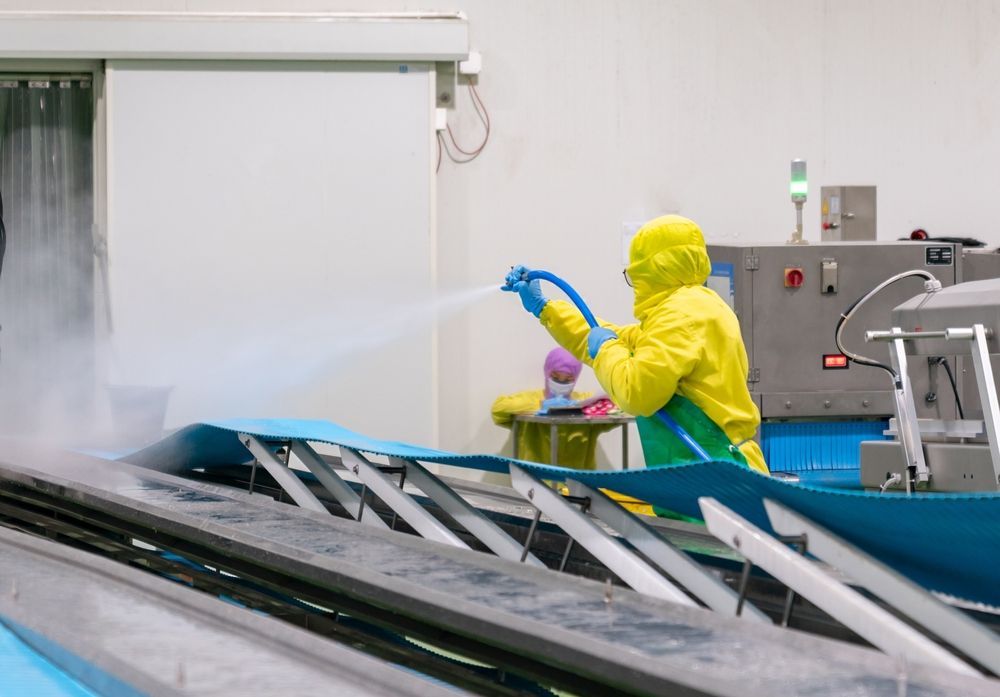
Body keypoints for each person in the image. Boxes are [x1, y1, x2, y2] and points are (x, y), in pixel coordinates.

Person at [504, 214, 768, 476]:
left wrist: (607, 349)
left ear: (652, 270)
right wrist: (545, 309)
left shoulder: (680, 317)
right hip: (711, 466)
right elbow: (610, 337)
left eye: (634, 275)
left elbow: (636, 392)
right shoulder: (700, 307)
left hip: (717, 470)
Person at [491, 347, 616, 469]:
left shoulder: (583, 399)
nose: (561, 383)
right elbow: (498, 409)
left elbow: (618, 410)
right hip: (537, 482)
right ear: (547, 372)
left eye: (568, 379)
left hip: (578, 483)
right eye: (555, 378)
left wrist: (579, 406)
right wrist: (541, 405)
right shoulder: (531, 398)